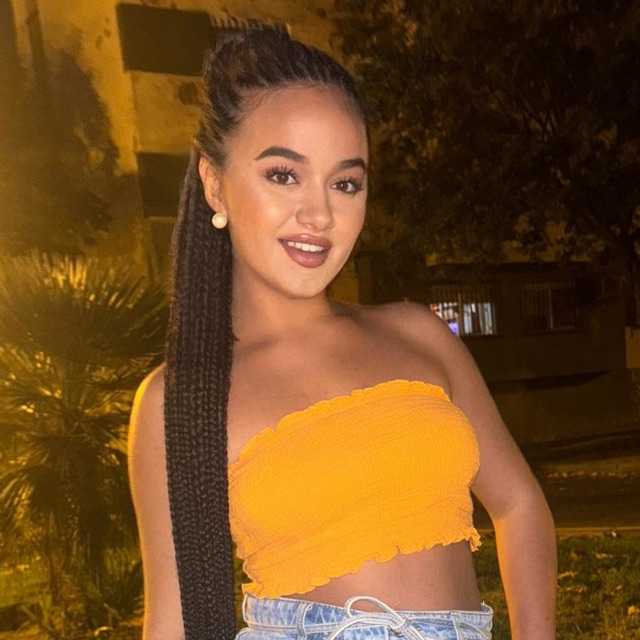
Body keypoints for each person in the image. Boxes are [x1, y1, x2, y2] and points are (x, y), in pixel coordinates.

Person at [127, 25, 558, 640]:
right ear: (214, 183)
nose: (319, 214)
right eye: (284, 175)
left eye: (345, 183)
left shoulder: (419, 335)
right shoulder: (182, 399)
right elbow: (173, 623)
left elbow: (518, 504)